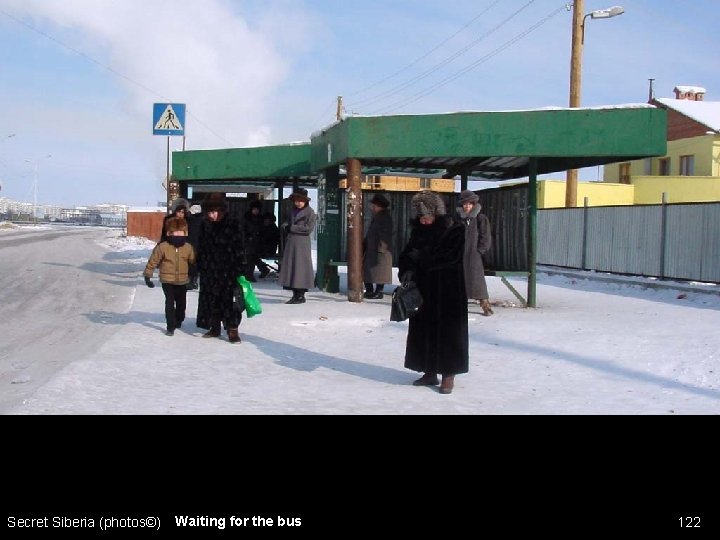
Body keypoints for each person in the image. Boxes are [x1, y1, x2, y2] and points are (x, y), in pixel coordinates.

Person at [398, 190, 468, 395]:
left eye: (427, 216)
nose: (424, 221)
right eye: (421, 217)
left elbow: (450, 257)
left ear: (436, 213)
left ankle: (448, 375)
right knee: (424, 331)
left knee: (449, 334)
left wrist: (421, 258)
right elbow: (407, 253)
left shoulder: (454, 228)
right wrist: (407, 268)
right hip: (423, 290)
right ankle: (429, 371)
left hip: (448, 290)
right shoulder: (418, 230)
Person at [196, 192, 246, 344]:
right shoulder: (205, 225)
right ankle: (214, 327)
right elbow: (201, 247)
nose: (211, 215)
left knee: (230, 302)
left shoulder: (233, 224)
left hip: (229, 270)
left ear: (221, 211)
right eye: (209, 212)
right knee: (212, 300)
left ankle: (233, 330)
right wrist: (201, 265)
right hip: (210, 270)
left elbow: (240, 247)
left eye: (214, 212)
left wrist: (239, 267)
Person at [143, 217, 196, 336]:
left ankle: (179, 319)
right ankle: (170, 326)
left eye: (181, 232)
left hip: (182, 281)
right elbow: (153, 260)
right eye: (175, 232)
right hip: (167, 281)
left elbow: (193, 262)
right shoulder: (163, 246)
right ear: (169, 233)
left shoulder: (188, 247)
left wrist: (193, 275)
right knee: (169, 303)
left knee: (181, 304)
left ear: (185, 233)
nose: (178, 235)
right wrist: (148, 275)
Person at [456, 189, 494, 316]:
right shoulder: (460, 220)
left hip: (474, 256)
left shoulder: (480, 218)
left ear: (473, 204)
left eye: (469, 204)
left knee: (478, 282)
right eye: (464, 205)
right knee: (459, 282)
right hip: (460, 256)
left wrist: (479, 251)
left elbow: (486, 237)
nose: (467, 207)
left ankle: (485, 306)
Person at [279, 188, 316, 304]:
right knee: (292, 268)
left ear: (305, 201)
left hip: (301, 244)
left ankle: (300, 294)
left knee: (301, 268)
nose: (298, 203)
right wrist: (285, 226)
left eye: (301, 201)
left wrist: (292, 228)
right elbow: (286, 222)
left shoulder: (310, 212)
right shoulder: (292, 211)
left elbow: (308, 228)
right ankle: (295, 294)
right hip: (292, 243)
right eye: (296, 200)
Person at [363, 193, 393, 299]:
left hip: (380, 250)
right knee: (368, 270)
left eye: (374, 206)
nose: (372, 208)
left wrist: (381, 248)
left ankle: (378, 291)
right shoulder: (378, 217)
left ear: (379, 206)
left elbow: (385, 234)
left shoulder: (384, 218)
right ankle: (370, 290)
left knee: (380, 271)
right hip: (373, 249)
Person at [243, 200, 264, 282]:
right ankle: (250, 275)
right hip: (249, 242)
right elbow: (243, 229)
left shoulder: (260, 219)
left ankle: (251, 274)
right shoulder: (247, 218)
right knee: (250, 258)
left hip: (258, 242)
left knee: (253, 257)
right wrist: (248, 236)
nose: (256, 211)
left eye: (257, 209)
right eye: (254, 209)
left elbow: (262, 230)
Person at [258, 211, 280, 277]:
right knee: (252, 254)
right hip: (263, 249)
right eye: (265, 220)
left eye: (267, 220)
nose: (266, 221)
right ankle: (264, 269)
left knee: (253, 255)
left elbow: (271, 240)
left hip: (269, 250)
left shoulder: (272, 228)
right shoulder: (263, 227)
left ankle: (264, 269)